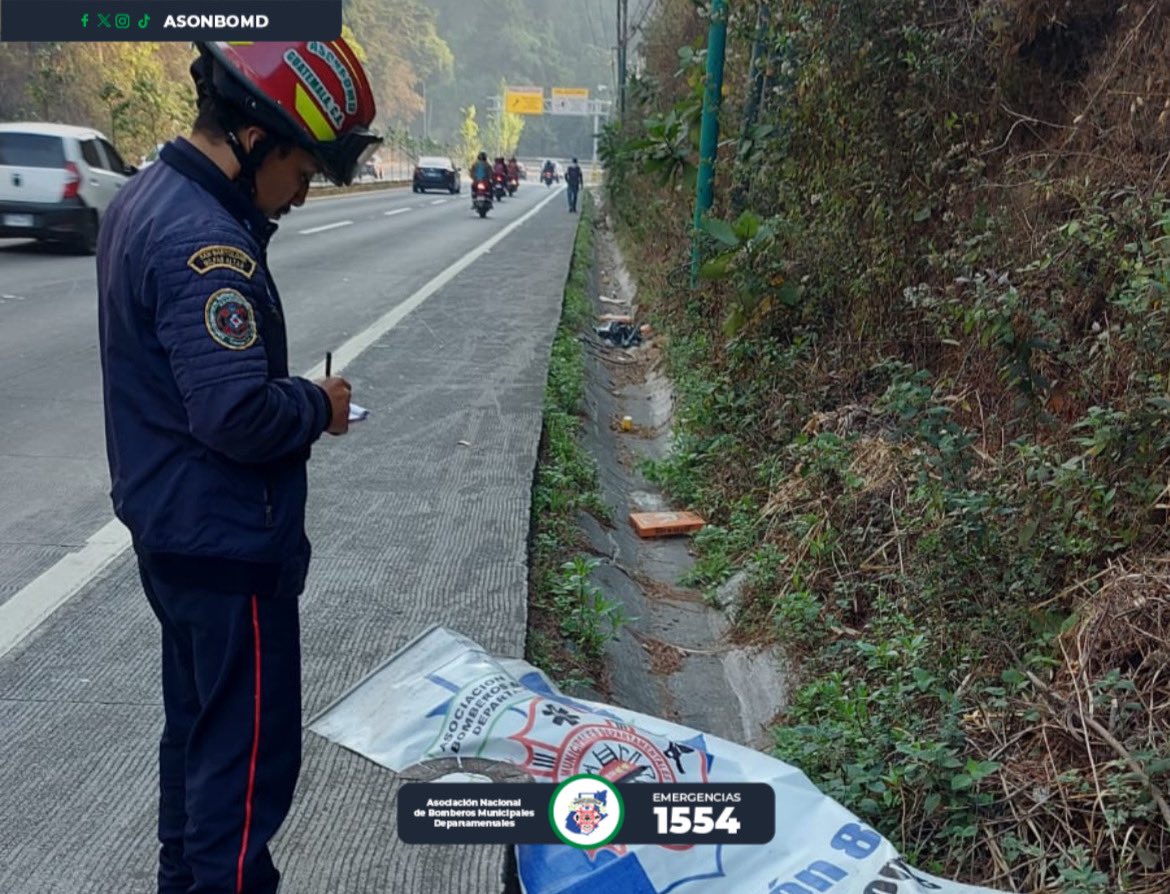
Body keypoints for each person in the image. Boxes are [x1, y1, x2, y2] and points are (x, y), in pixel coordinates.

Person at [96, 40, 379, 894]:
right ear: (259, 136)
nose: (302, 193)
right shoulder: (204, 243)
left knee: (197, 742)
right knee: (244, 772)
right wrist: (315, 405)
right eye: (302, 167)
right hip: (223, 549)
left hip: (173, 534)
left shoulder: (146, 197)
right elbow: (232, 413)